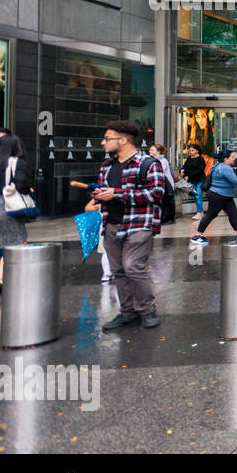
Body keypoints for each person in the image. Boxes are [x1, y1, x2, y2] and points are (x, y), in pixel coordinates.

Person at [92, 120, 166, 330]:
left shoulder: (148, 164)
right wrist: (99, 195)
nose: (103, 143)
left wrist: (117, 193)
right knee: (118, 270)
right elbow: (104, 191)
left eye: (107, 139)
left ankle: (147, 309)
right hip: (112, 223)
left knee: (134, 267)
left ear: (123, 140)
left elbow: (155, 193)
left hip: (139, 224)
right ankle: (128, 312)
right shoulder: (107, 166)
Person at [189, 149, 237, 246]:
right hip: (218, 195)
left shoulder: (219, 166)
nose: (234, 159)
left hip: (225, 195)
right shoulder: (224, 168)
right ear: (226, 159)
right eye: (232, 157)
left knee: (233, 212)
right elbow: (235, 181)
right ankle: (197, 236)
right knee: (210, 215)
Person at [0, 133, 32, 294]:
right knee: (18, 241)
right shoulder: (18, 163)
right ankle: (0, 276)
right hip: (7, 207)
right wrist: (28, 189)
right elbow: (20, 184)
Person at [181, 144, 212, 219]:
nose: (191, 152)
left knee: (198, 196)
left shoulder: (200, 159)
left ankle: (199, 213)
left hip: (199, 180)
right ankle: (200, 212)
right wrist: (181, 170)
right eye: (190, 150)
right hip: (192, 181)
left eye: (193, 150)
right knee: (195, 196)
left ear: (197, 151)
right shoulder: (189, 158)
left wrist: (188, 176)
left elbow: (199, 170)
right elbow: (185, 167)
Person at [148, 143, 177, 224]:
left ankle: (168, 218)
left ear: (158, 151)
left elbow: (160, 172)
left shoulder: (162, 161)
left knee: (167, 202)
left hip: (167, 185)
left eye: (152, 150)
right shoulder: (153, 160)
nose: (150, 151)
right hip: (161, 184)